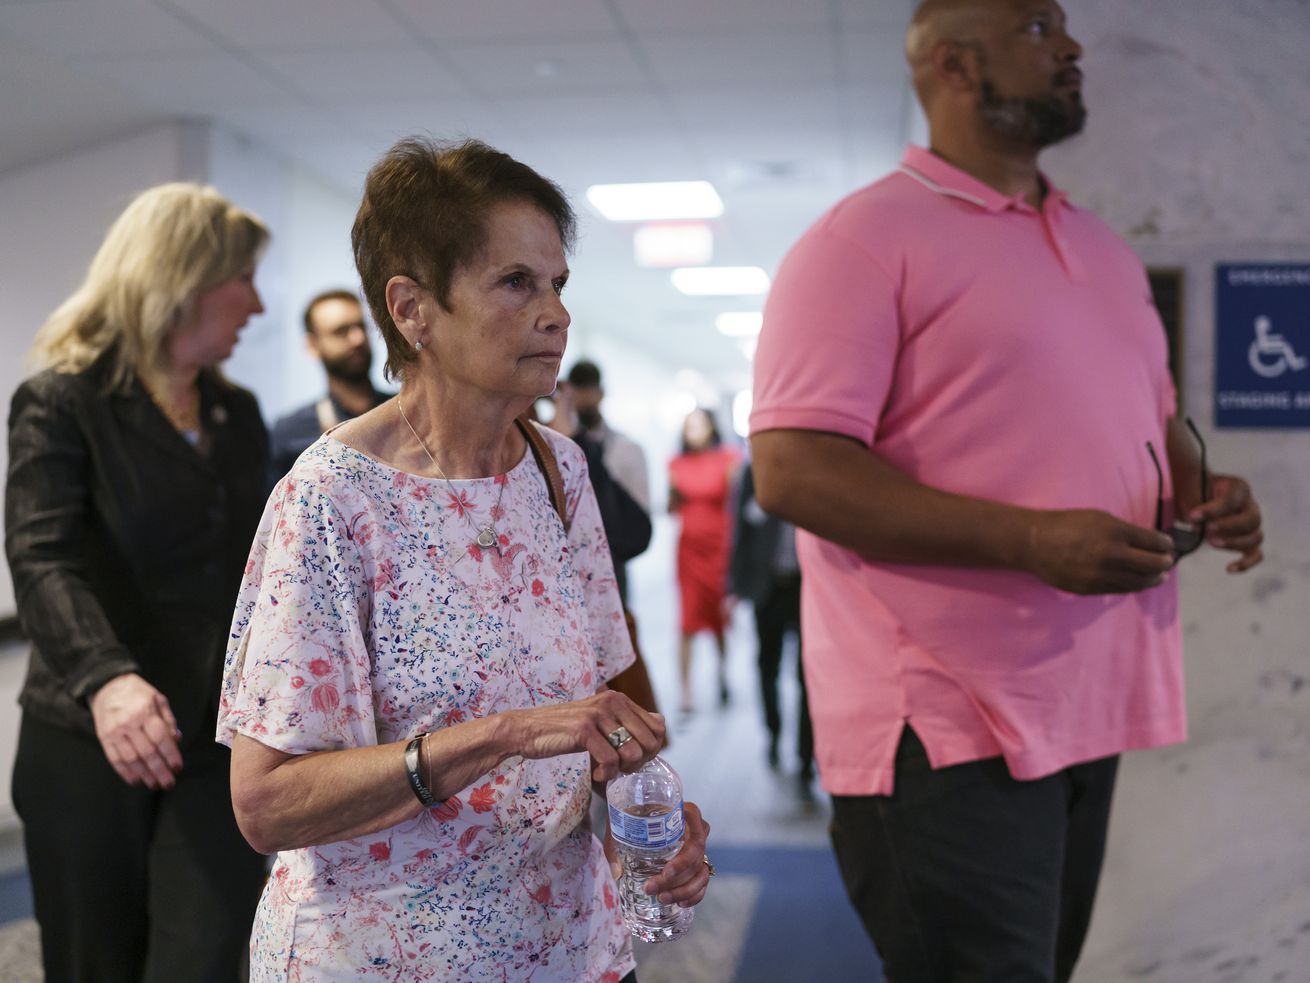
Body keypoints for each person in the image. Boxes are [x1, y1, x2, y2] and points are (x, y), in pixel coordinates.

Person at [748, 2, 1265, 981]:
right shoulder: (860, 240)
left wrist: (1205, 488)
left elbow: (1150, 428)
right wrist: (1028, 540)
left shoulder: (1101, 250)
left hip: (1083, 703)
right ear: (950, 63)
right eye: (1035, 28)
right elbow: (793, 468)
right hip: (942, 729)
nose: (1070, 47)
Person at [219, 136, 712, 982]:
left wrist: (653, 811)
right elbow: (266, 804)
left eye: (558, 284)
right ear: (412, 308)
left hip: (568, 947)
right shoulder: (334, 498)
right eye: (516, 282)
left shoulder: (560, 471)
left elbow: (611, 708)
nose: (554, 312)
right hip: (383, 956)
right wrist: (504, 736)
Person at [4, 182, 271, 982]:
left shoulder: (238, 414)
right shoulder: (61, 402)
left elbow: (259, 570)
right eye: (244, 277)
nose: (257, 302)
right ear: (183, 278)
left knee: (209, 953)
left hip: (214, 740)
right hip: (91, 736)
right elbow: (41, 555)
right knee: (96, 964)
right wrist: (106, 679)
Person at [729, 464, 814, 790]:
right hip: (767, 588)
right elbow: (741, 529)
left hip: (807, 588)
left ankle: (807, 756)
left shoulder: (814, 467)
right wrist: (734, 587)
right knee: (767, 667)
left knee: (809, 674)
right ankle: (774, 733)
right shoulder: (755, 471)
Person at [268, 288, 391, 481]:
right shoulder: (289, 432)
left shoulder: (403, 412)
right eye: (340, 332)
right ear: (312, 345)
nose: (357, 339)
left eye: (361, 327)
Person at [668, 407, 740, 714]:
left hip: (720, 548)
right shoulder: (675, 463)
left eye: (698, 425)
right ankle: (685, 691)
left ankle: (722, 674)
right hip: (689, 550)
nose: (692, 431)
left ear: (711, 427)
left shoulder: (730, 460)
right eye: (688, 426)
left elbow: (737, 506)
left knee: (719, 619)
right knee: (687, 620)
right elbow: (672, 506)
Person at [566, 359, 651, 601]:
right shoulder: (554, 446)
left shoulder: (627, 448)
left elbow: (637, 513)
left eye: (588, 391)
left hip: (611, 559)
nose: (582, 399)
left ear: (600, 393)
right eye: (576, 392)